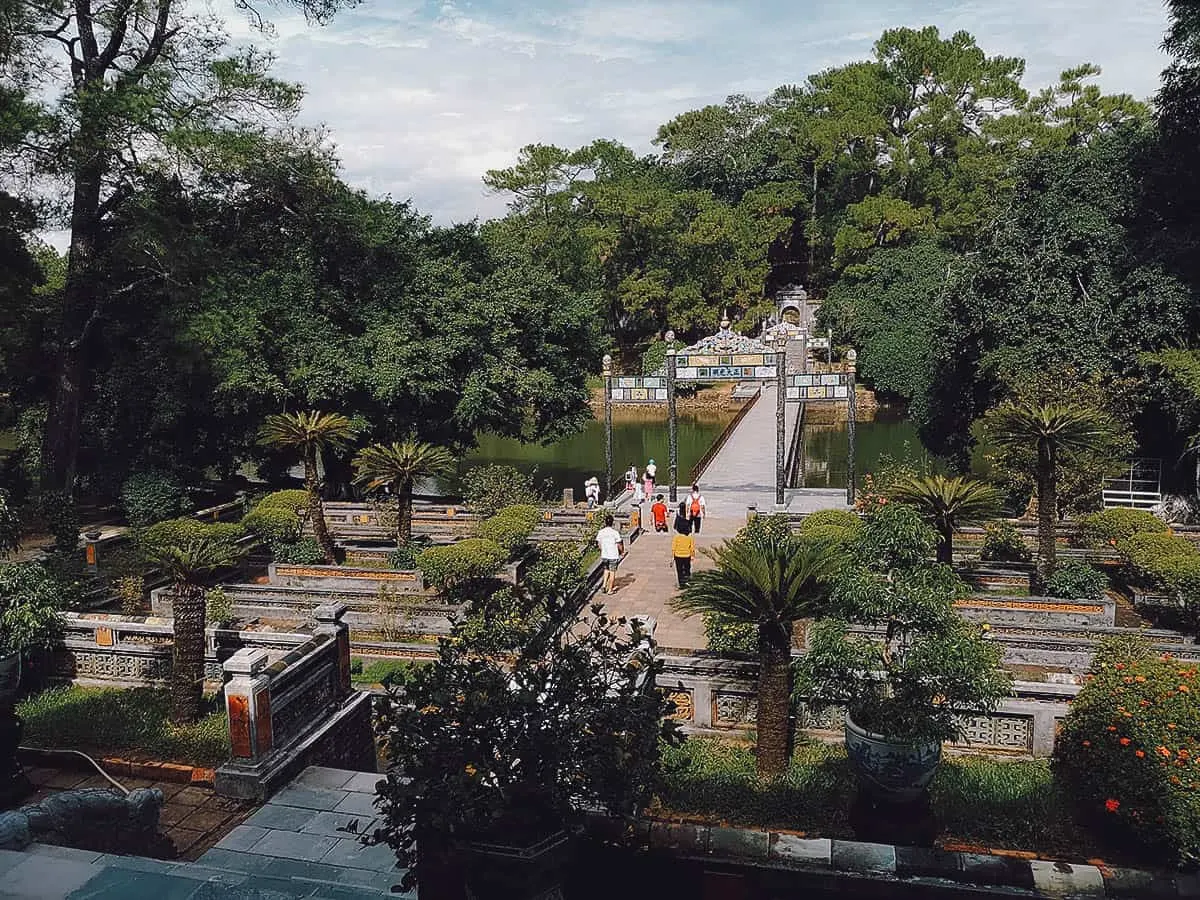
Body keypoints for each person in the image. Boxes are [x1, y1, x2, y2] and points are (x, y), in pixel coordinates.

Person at [596, 514, 625, 594]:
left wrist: (603, 550)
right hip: (613, 555)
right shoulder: (615, 533)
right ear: (612, 523)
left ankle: (604, 585)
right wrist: (622, 552)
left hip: (605, 555)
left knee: (606, 570)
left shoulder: (601, 532)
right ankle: (610, 590)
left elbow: (599, 544)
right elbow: (619, 544)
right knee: (612, 572)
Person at [671, 516, 695, 588]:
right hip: (687, 556)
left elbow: (673, 547)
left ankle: (681, 583)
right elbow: (692, 548)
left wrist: (673, 557)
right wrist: (692, 556)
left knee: (679, 570)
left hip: (678, 556)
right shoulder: (689, 538)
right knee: (687, 568)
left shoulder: (676, 537)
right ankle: (687, 580)